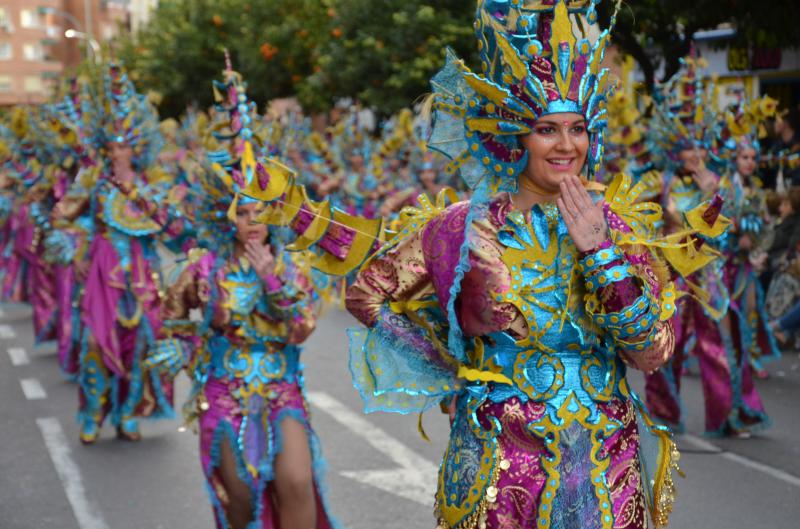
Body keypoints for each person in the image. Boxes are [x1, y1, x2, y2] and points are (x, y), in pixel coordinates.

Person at [346, 2, 690, 528]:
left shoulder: (613, 226)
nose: (567, 146)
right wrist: (447, 367)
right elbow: (366, 292)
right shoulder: (465, 226)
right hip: (501, 457)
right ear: (516, 138)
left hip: (604, 459)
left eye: (577, 129)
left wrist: (601, 256)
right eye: (548, 130)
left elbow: (651, 353)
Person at [146, 62, 340, 529]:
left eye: (263, 212)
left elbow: (300, 330)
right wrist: (181, 343)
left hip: (281, 384)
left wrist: (273, 278)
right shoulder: (205, 267)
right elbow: (173, 312)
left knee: (295, 480)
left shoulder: (294, 264)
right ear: (227, 215)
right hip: (223, 387)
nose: (254, 222)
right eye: (244, 212)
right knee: (240, 493)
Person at [59, 63, 187, 443]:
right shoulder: (92, 181)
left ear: (136, 147)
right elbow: (65, 215)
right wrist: (78, 251)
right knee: (96, 343)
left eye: (124, 145)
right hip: (101, 269)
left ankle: (128, 412)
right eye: (112, 146)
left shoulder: (153, 184)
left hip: (142, 272)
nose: (118, 152)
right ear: (104, 149)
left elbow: (173, 227)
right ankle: (92, 414)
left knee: (139, 345)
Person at [645, 57, 771, 437]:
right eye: (687, 145)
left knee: (719, 345)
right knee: (670, 345)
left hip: (710, 271)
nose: (695, 152)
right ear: (673, 147)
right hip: (673, 273)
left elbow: (725, 225)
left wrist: (711, 194)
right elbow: (645, 227)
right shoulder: (660, 182)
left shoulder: (718, 181)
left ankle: (729, 415)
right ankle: (662, 414)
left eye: (699, 144)